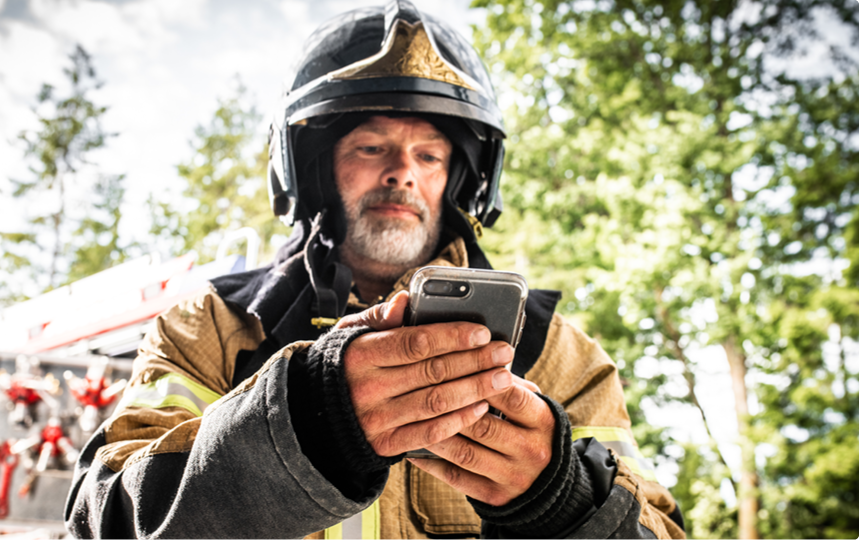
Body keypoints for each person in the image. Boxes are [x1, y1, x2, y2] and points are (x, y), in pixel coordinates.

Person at [65, 2, 687, 539]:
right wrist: (304, 426)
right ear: (314, 170)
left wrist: (564, 500)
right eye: (371, 146)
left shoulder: (556, 353)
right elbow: (106, 520)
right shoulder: (208, 331)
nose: (402, 172)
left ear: (460, 180)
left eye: (429, 153)